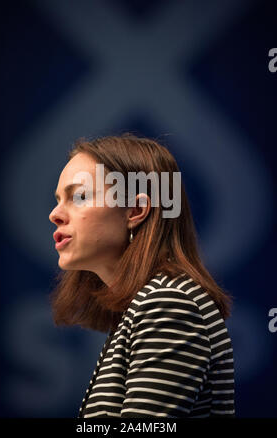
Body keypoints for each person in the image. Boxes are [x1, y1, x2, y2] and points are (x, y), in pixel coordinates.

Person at [48, 132, 235, 418]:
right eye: (59, 199)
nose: (55, 214)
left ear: (135, 210)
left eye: (79, 196)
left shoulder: (169, 303)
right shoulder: (145, 305)